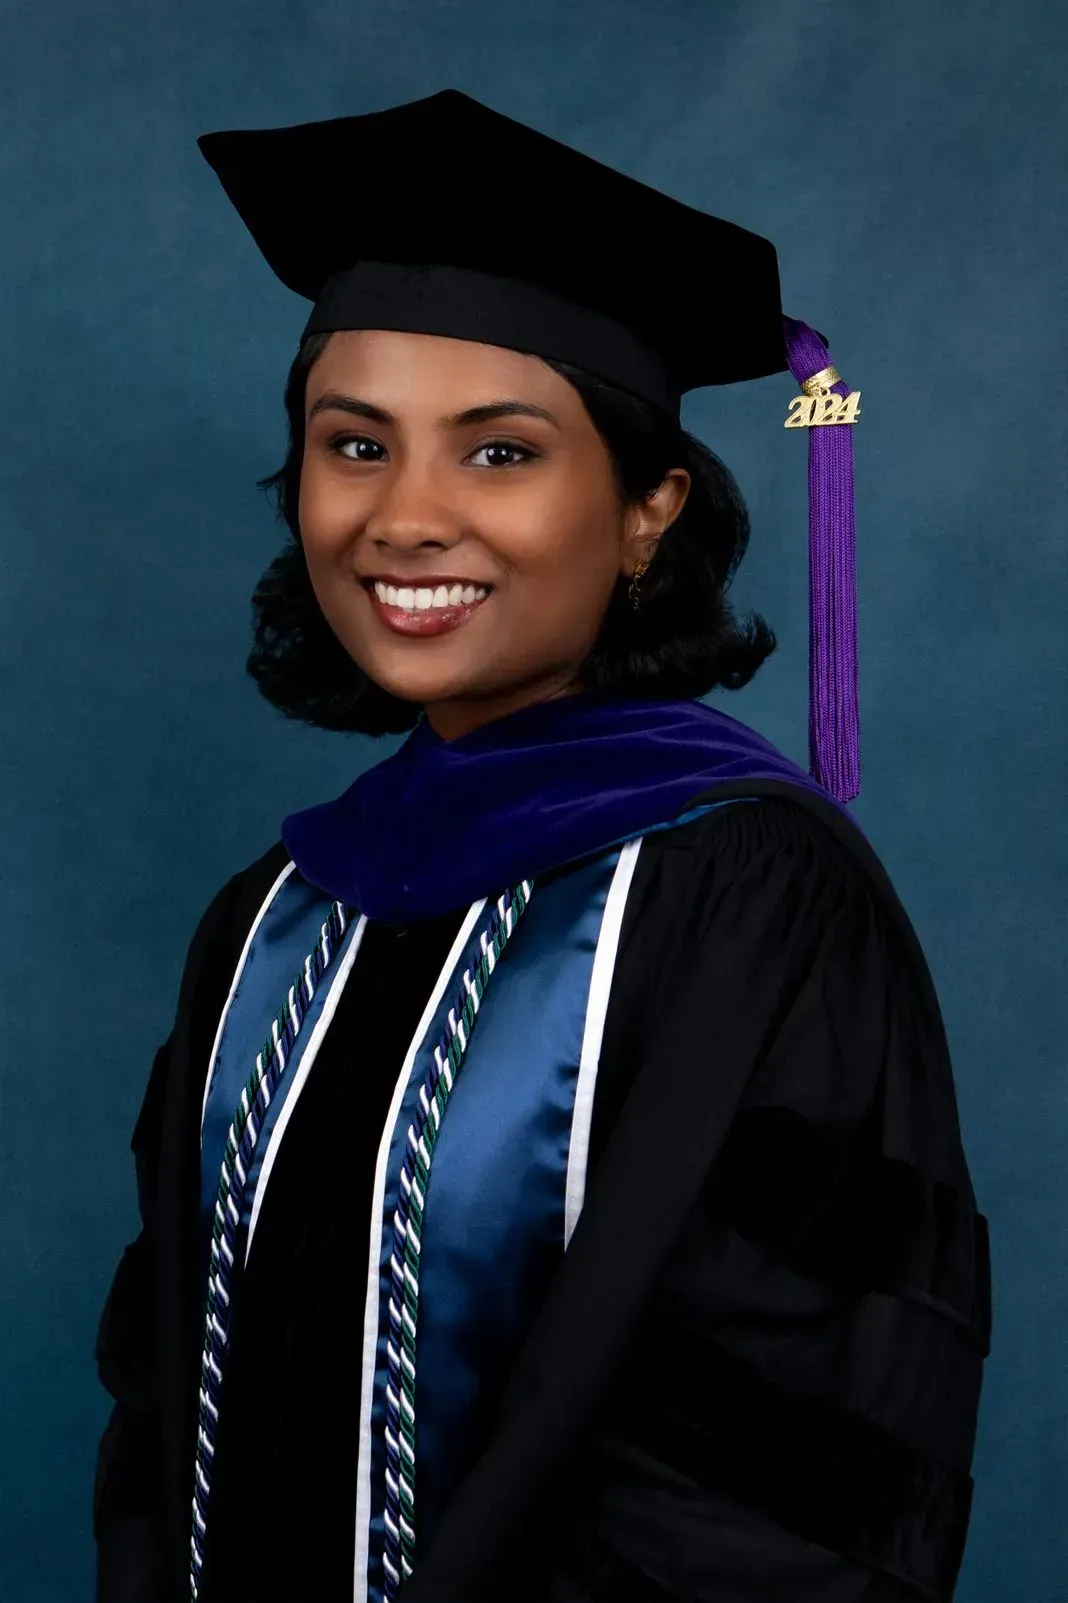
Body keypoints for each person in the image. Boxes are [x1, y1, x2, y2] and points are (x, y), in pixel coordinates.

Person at [92, 90, 991, 1603]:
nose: (405, 517)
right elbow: (160, 1393)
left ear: (649, 511)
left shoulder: (752, 901)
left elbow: (799, 1453)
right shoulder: (277, 916)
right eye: (354, 444)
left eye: (499, 454)